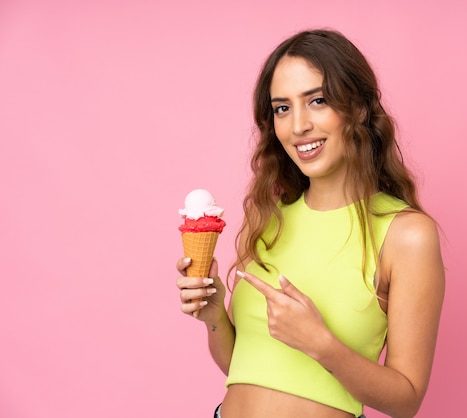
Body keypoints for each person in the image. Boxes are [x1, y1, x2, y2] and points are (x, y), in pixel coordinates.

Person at [176, 29, 445, 418]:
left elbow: (407, 400)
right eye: (282, 108)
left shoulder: (407, 235)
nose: (298, 125)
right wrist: (215, 317)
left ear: (359, 108)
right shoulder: (267, 218)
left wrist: (321, 344)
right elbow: (245, 367)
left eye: (317, 101)